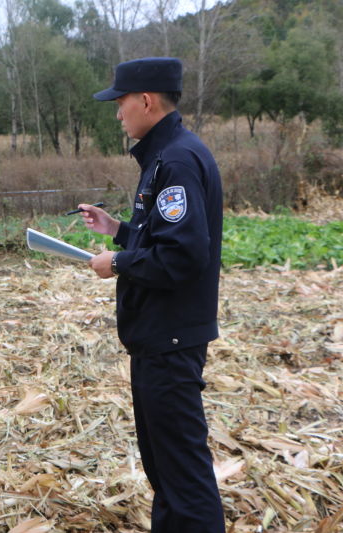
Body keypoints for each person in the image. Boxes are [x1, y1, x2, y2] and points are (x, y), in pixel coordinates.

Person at [79, 58, 226, 533]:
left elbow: (183, 256)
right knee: (166, 470)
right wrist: (120, 231)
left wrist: (117, 263)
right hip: (159, 340)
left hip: (171, 341)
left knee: (183, 476)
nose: (118, 113)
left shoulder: (177, 160)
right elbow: (165, 237)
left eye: (120, 103)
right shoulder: (166, 156)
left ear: (145, 101)